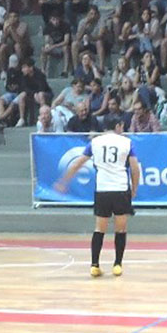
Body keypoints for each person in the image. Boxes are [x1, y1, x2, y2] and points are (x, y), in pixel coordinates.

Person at [55, 114, 141, 278]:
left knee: (99, 228)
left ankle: (94, 265)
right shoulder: (127, 142)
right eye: (122, 126)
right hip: (120, 188)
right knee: (121, 228)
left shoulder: (95, 142)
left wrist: (63, 181)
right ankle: (117, 264)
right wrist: (134, 188)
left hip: (102, 190)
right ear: (118, 126)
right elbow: (135, 168)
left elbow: (77, 163)